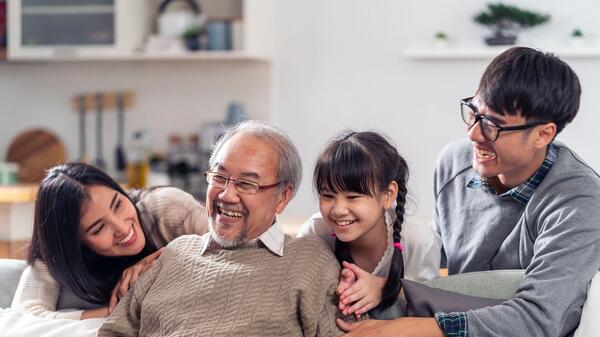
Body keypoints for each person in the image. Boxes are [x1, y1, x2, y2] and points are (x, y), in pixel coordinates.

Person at [338, 47, 600, 336]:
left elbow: (539, 318)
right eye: (474, 113)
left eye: (493, 125)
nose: (473, 134)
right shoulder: (454, 163)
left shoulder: (580, 201)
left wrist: (406, 329)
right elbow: (439, 267)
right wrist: (390, 288)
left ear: (543, 134)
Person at [98, 120, 344, 337]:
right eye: (219, 177)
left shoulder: (311, 263)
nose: (226, 195)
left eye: (247, 184)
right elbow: (114, 332)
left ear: (283, 197)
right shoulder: (173, 254)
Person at [11, 162, 208, 320]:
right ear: (75, 243)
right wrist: (119, 311)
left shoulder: (165, 207)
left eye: (118, 204)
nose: (122, 228)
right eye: (98, 228)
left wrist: (159, 263)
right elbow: (25, 315)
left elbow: (233, 248)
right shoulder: (55, 257)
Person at [297, 130, 440, 318]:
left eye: (353, 197)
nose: (338, 209)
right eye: (328, 196)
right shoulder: (315, 233)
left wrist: (387, 289)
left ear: (388, 195)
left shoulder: (419, 242)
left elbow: (432, 311)